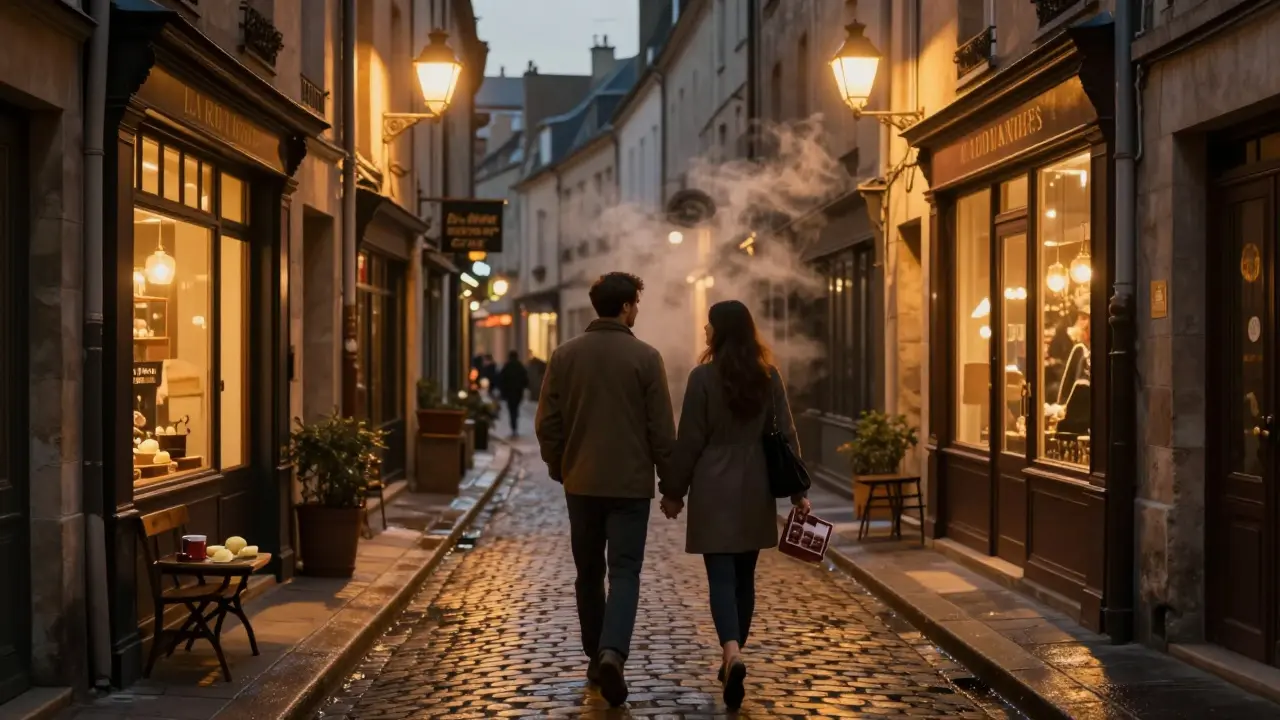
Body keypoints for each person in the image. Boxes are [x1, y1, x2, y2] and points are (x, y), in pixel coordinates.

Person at [658, 299, 810, 710]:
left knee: (720, 577)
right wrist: (799, 492)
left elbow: (689, 439)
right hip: (754, 485)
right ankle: (735, 653)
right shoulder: (768, 376)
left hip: (713, 485)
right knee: (745, 577)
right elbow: (787, 436)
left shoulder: (702, 378)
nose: (704, 332)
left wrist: (674, 491)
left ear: (721, 331)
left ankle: (731, 652)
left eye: (709, 326)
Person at [535, 272, 676, 708]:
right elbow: (661, 432)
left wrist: (560, 466)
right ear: (627, 307)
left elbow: (547, 423)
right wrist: (671, 487)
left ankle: (596, 655)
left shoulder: (563, 356)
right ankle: (613, 651)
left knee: (588, 572)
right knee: (626, 572)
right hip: (631, 487)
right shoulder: (646, 358)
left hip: (582, 483)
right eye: (637, 302)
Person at [496, 350, 530, 435]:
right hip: (518, 391)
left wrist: (502, 390)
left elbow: (501, 379)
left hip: (509, 392)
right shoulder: (520, 366)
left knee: (511, 409)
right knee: (515, 408)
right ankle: (514, 423)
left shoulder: (507, 366)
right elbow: (525, 379)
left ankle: (513, 424)